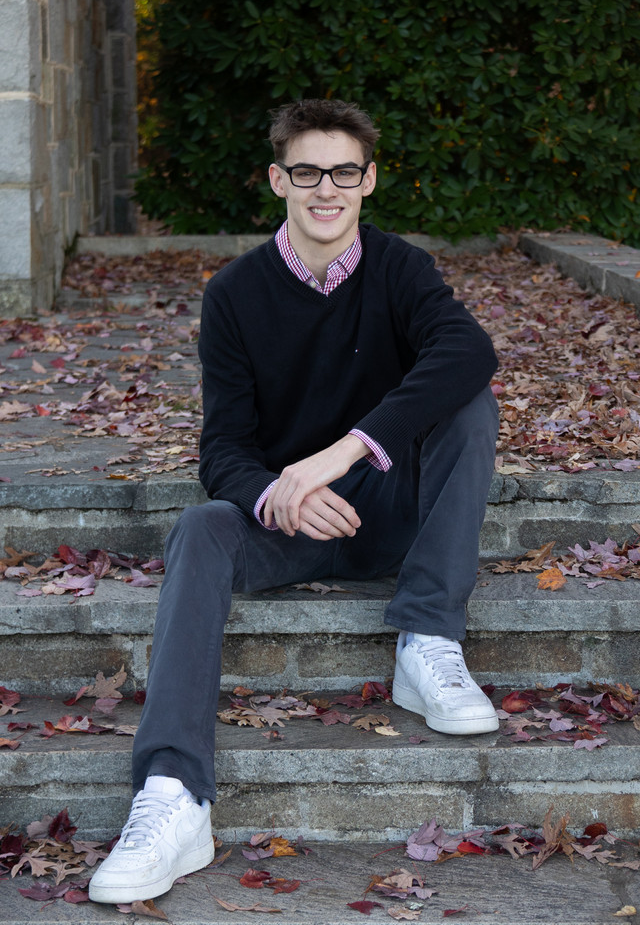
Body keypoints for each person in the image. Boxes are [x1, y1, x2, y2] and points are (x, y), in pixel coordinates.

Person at [89, 98, 500, 905]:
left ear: (369, 180)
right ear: (278, 180)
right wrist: (278, 492)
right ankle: (175, 796)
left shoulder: (401, 269)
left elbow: (469, 350)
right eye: (307, 172)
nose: (326, 189)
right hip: (290, 525)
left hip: (389, 510)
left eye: (344, 172)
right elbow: (223, 450)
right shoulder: (235, 293)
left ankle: (427, 638)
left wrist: (343, 453)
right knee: (202, 529)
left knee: (469, 403)